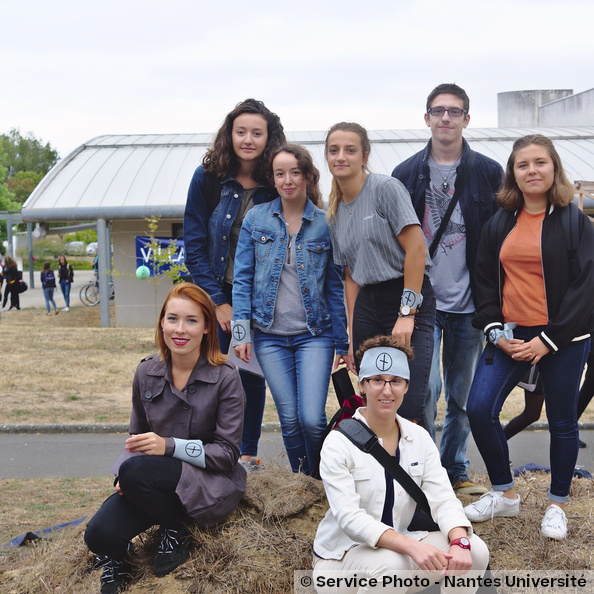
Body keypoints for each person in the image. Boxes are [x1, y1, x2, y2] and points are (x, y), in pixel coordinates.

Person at [464, 134, 594, 540]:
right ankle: (504, 493)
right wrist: (494, 331)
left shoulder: (575, 222)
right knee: (479, 408)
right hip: (511, 335)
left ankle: (557, 504)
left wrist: (549, 340)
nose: (532, 170)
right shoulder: (500, 221)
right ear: (513, 173)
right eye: (523, 164)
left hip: (564, 338)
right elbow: (484, 281)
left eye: (540, 162)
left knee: (562, 420)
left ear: (554, 168)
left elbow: (585, 288)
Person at [84, 282, 246, 593]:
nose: (180, 329)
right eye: (172, 319)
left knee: (136, 471)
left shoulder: (226, 377)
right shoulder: (146, 372)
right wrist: (123, 476)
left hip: (208, 482)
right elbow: (136, 437)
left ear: (207, 327)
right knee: (98, 535)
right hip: (151, 481)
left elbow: (226, 454)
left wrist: (168, 447)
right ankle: (122, 557)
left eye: (191, 320)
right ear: (161, 323)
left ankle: (178, 528)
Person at [392, 83, 504, 495]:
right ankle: (423, 470)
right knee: (424, 391)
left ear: (466, 119)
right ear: (426, 118)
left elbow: (502, 239)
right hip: (422, 303)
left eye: (454, 111)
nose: (445, 118)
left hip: (471, 305)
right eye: (438, 111)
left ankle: (455, 468)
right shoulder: (405, 174)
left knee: (462, 396)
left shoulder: (489, 173)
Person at [313, 335, 489, 594]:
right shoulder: (338, 442)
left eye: (396, 381)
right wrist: (411, 547)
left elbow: (443, 499)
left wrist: (460, 541)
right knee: (392, 566)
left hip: (400, 549)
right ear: (362, 385)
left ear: (406, 386)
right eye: (377, 380)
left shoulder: (419, 437)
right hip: (341, 559)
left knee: (476, 551)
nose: (387, 391)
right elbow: (350, 518)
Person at [231, 144, 350, 476]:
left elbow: (335, 286)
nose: (287, 180)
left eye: (295, 172)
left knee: (312, 419)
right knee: (289, 419)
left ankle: (322, 479)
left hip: (315, 335)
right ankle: (303, 484)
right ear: (272, 178)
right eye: (280, 173)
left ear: (308, 176)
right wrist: (241, 333)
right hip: (268, 336)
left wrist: (342, 342)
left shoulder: (326, 223)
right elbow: (241, 278)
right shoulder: (256, 219)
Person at [184, 98, 286, 470]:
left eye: (257, 133)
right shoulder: (208, 178)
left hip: (258, 297)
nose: (247, 139)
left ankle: (246, 455)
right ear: (229, 134)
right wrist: (217, 301)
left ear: (269, 138)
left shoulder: (277, 181)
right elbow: (194, 246)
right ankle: (203, 452)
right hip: (212, 294)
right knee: (206, 373)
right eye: (240, 131)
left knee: (248, 373)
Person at [325, 122, 435, 428]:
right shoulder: (333, 211)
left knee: (408, 403)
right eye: (334, 150)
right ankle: (379, 460)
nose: (341, 156)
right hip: (367, 304)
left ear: (364, 156)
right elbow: (350, 276)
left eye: (350, 150)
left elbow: (416, 250)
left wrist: (407, 313)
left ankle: (416, 460)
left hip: (405, 294)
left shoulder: (385, 188)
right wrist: (351, 335)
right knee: (374, 400)